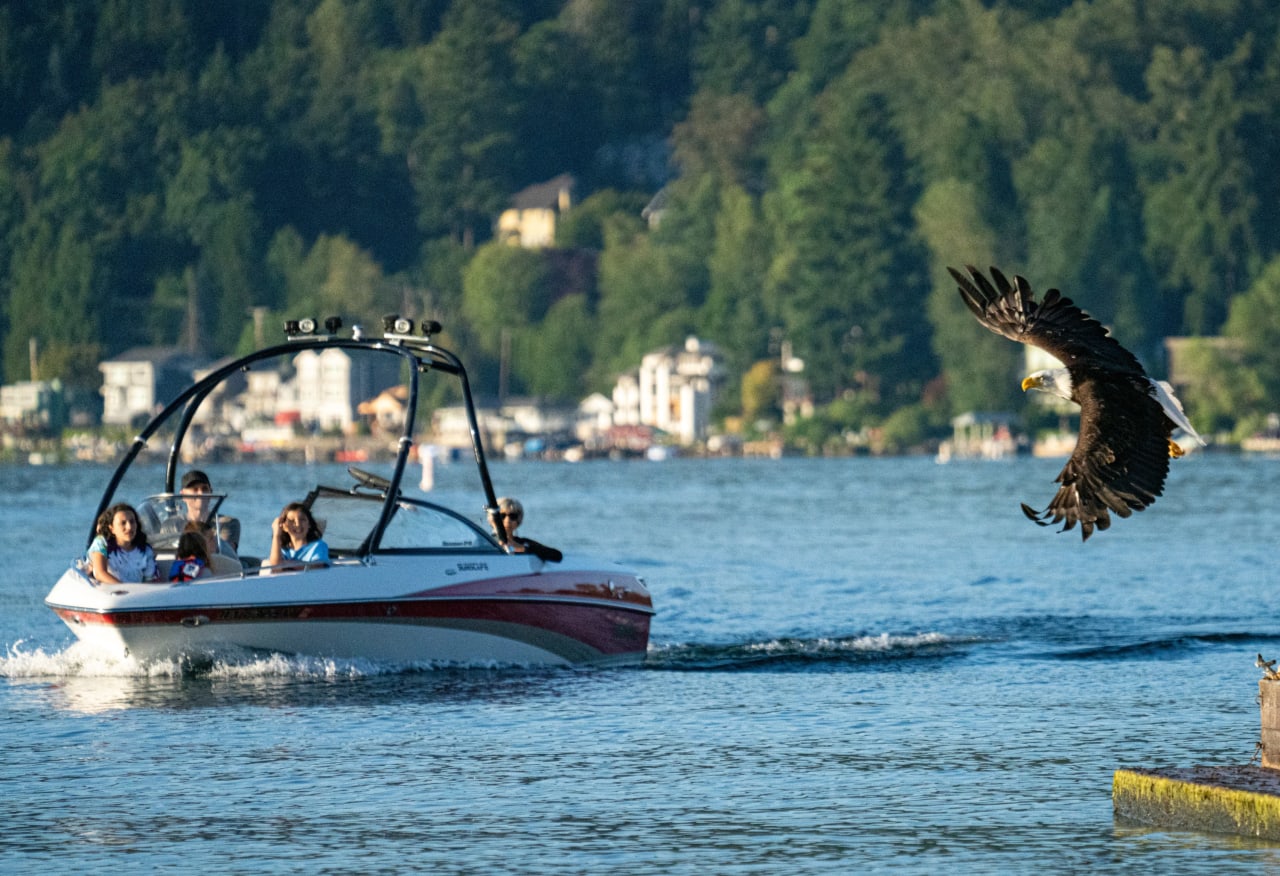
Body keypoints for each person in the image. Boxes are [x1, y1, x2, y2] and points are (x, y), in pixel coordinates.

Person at [87, 503, 159, 584]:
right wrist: (126, 589)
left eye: (132, 522)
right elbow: (99, 573)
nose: (129, 527)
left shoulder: (146, 550)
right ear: (112, 528)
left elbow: (150, 581)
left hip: (138, 594)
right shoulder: (101, 543)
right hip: (110, 594)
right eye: (123, 523)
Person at [180, 469, 240, 556]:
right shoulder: (172, 524)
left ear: (210, 493)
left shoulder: (227, 523)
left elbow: (226, 556)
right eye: (195, 489)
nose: (200, 493)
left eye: (204, 489)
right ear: (183, 495)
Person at [489, 497, 563, 563]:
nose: (508, 520)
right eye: (502, 516)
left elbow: (557, 555)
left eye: (513, 516)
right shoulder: (485, 543)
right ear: (492, 519)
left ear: (519, 520)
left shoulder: (524, 543)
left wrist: (520, 547)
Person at [267, 502, 330, 571]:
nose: (297, 524)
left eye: (302, 520)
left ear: (309, 524)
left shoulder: (318, 546)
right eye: (291, 520)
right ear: (284, 527)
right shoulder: (282, 550)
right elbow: (275, 567)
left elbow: (317, 567)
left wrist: (288, 564)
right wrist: (276, 535)